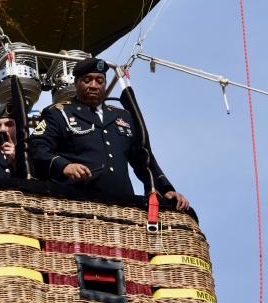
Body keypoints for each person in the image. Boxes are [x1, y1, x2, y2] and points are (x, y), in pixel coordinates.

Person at [29, 57, 189, 210]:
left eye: (100, 81)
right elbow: (37, 148)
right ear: (76, 82)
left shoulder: (123, 116)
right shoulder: (58, 113)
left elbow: (144, 159)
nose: (94, 85)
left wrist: (165, 188)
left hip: (123, 205)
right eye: (87, 80)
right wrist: (64, 166)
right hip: (76, 202)